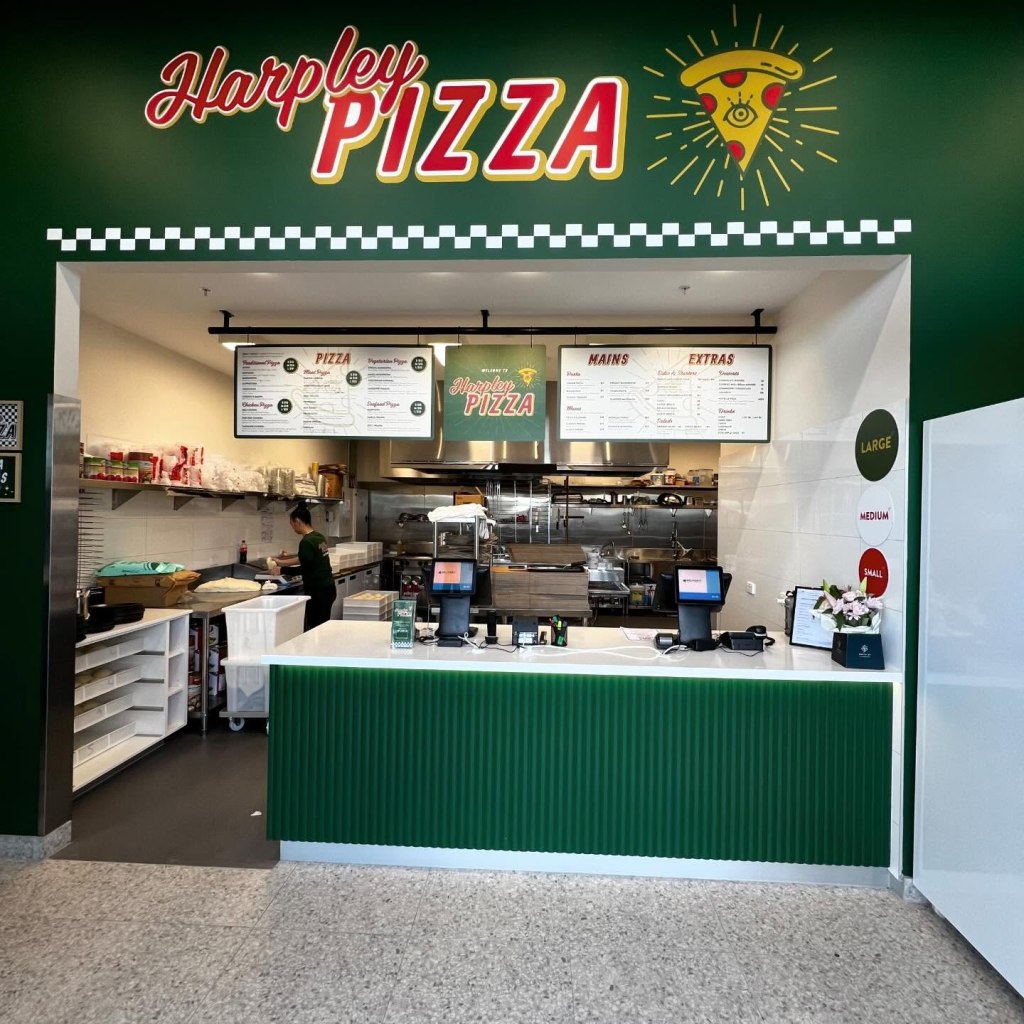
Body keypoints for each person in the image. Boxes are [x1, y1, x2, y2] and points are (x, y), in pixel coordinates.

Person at [275, 505, 335, 631]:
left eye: (292, 524)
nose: (293, 528)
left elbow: (305, 569)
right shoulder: (318, 537)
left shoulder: (306, 542)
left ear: (297, 521)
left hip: (317, 591)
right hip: (328, 588)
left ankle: (315, 650)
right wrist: (281, 562)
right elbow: (304, 558)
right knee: (323, 628)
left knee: (315, 630)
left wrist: (281, 571)